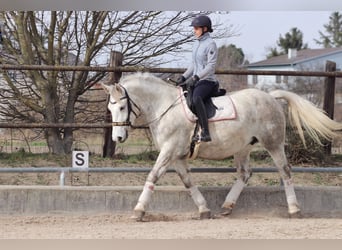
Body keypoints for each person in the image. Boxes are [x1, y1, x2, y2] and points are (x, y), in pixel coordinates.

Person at [177, 15, 219, 142]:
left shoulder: (211, 44)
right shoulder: (196, 44)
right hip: (197, 80)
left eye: (196, 28)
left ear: (205, 29)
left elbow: (211, 66)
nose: (194, 30)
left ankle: (206, 132)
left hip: (207, 81)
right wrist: (184, 76)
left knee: (196, 98)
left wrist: (197, 76)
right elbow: (193, 64)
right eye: (194, 28)